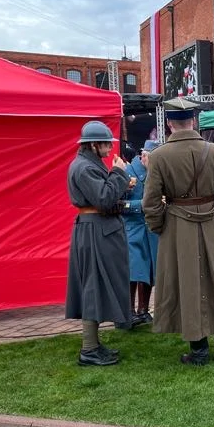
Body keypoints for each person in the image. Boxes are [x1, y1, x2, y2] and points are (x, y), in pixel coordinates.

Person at [142, 108, 214, 366]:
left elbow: (151, 202)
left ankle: (198, 349)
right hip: (213, 223)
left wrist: (159, 226)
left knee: (188, 284)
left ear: (170, 124)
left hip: (178, 226)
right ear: (193, 121)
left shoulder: (159, 156)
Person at [65, 121, 132, 366]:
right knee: (92, 287)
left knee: (95, 287)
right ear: (93, 144)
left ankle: (93, 345)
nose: (109, 148)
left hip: (97, 230)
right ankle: (89, 349)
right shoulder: (84, 168)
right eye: (105, 144)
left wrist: (119, 180)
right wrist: (118, 174)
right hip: (95, 231)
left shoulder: (87, 164)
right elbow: (103, 199)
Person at [121, 140, 160, 325]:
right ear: (144, 156)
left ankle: (143, 310)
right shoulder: (127, 173)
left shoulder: (157, 173)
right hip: (133, 229)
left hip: (151, 231)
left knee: (150, 271)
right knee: (134, 272)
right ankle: (128, 312)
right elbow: (118, 204)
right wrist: (141, 205)